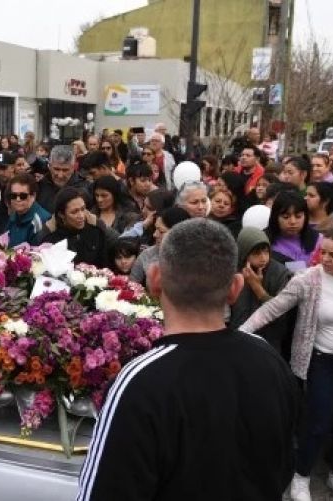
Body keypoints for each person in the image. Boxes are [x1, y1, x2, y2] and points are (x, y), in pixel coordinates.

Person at [78, 218, 298, 501]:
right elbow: (284, 462)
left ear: (155, 279)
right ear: (236, 287)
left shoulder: (138, 383)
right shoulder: (269, 359)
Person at [242, 221, 333, 501]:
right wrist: (240, 333)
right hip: (321, 360)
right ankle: (301, 475)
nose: (326, 259)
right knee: (318, 422)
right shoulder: (308, 279)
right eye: (323, 252)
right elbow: (273, 308)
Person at [228, 227, 292, 355]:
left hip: (269, 343)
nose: (263, 258)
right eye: (256, 253)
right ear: (245, 253)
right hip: (237, 339)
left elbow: (281, 314)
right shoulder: (232, 271)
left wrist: (256, 287)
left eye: (266, 252)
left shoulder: (280, 274)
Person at [40, 188, 109, 268]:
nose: (81, 216)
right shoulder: (51, 242)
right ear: (61, 214)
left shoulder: (97, 233)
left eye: (83, 209)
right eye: (74, 212)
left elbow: (104, 267)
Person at [128, 207, 191, 286]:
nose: (155, 235)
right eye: (155, 229)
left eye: (161, 231)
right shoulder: (147, 255)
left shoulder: (195, 259)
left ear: (178, 233)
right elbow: (132, 286)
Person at [266, 191, 322, 270]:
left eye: (298, 216)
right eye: (286, 217)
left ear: (305, 217)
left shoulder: (318, 241)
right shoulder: (265, 242)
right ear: (275, 217)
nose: (293, 222)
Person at [36, 146, 89, 213]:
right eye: (56, 169)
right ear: (49, 166)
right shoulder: (39, 185)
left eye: (65, 170)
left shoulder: (86, 188)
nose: (60, 175)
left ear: (73, 167)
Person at [4, 173, 50, 247]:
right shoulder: (14, 215)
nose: (18, 199)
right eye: (13, 195)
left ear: (33, 196)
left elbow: (36, 251)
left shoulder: (40, 221)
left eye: (23, 196)